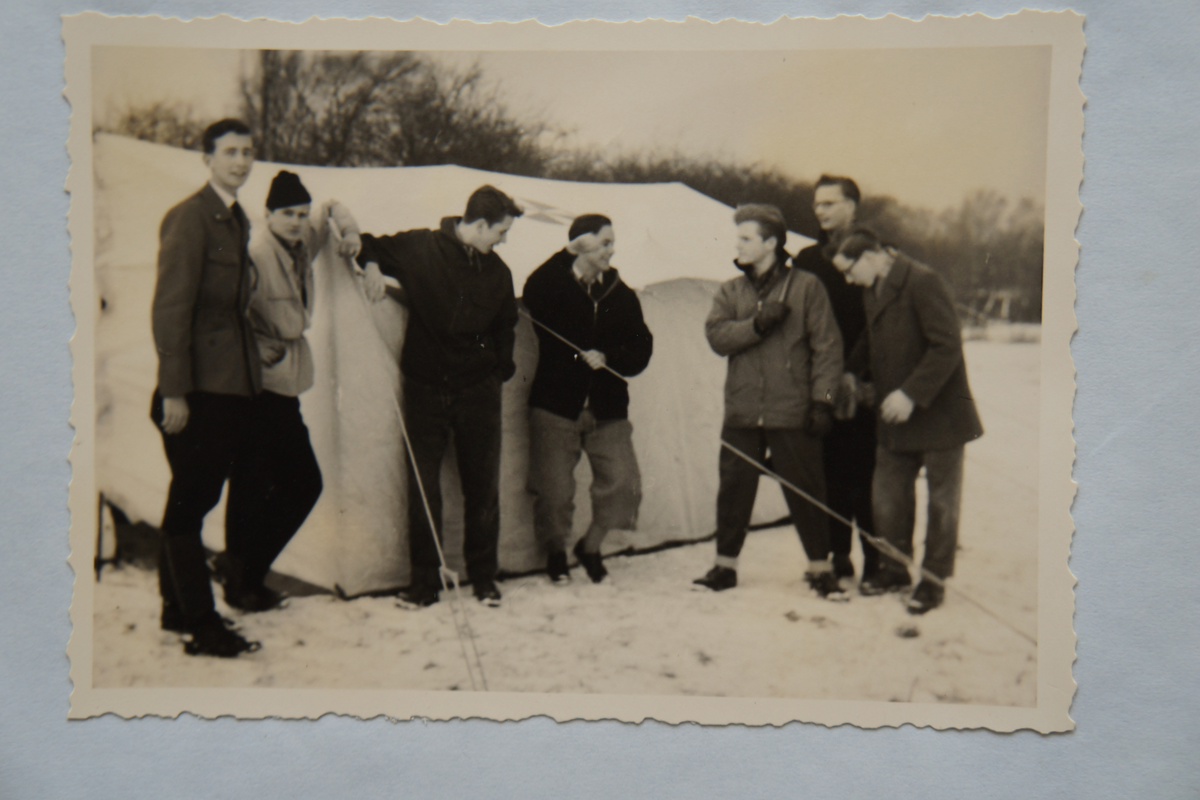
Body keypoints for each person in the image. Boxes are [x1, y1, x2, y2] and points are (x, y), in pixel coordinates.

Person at [358, 185, 522, 608]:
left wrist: (499, 368)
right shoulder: (421, 247)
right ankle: (424, 583)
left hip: (478, 393)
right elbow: (365, 244)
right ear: (479, 224)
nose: (504, 240)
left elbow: (507, 325)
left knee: (482, 487)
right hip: (426, 389)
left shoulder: (499, 272)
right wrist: (373, 266)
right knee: (423, 487)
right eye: (501, 232)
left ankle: (484, 577)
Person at [213, 170, 362, 612]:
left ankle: (241, 574)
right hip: (256, 387)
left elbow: (332, 207)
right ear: (269, 214)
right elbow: (225, 314)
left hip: (285, 386)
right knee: (281, 483)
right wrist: (259, 353)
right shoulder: (255, 254)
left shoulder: (300, 244)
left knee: (269, 484)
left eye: (300, 213)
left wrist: (350, 233)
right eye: (287, 214)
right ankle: (243, 576)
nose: (297, 221)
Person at [692, 204, 846, 599]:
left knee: (807, 491)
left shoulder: (807, 287)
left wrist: (823, 402)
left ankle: (820, 568)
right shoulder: (730, 290)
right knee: (733, 491)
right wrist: (756, 325)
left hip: (792, 411)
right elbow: (716, 336)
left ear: (771, 243)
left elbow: (828, 349)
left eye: (746, 238)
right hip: (743, 412)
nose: (738, 246)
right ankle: (724, 568)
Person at [149, 119, 261, 657]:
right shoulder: (191, 218)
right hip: (194, 393)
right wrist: (173, 391)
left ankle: (175, 610)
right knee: (189, 507)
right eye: (230, 152)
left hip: (227, 388)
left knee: (191, 500)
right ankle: (201, 623)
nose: (240, 161)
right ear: (207, 158)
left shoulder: (237, 219)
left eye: (247, 152)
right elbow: (170, 311)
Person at [832, 228, 984, 614]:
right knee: (887, 500)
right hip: (896, 419)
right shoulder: (873, 289)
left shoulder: (922, 281)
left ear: (870, 257)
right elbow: (872, 338)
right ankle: (895, 570)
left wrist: (911, 394)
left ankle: (933, 582)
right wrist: (850, 371)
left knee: (942, 505)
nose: (849, 281)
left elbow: (946, 345)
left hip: (940, 417)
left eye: (850, 271)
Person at [522, 215, 654, 584]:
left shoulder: (621, 294)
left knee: (625, 484)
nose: (612, 250)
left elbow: (642, 349)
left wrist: (609, 356)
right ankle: (556, 555)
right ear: (580, 246)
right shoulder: (551, 284)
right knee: (554, 493)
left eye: (613, 242)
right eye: (604, 243)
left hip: (607, 410)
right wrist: (564, 255)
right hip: (555, 406)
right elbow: (532, 294)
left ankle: (591, 546)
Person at [791, 175, 881, 586]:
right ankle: (839, 554)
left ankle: (876, 561)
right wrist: (822, 385)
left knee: (866, 470)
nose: (821, 211)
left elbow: (880, 323)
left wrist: (856, 374)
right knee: (829, 467)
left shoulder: (875, 256)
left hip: (865, 383)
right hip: (824, 382)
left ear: (853, 206)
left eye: (830, 203)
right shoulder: (807, 260)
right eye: (817, 204)